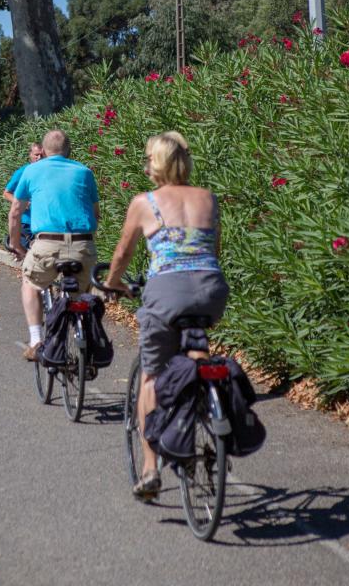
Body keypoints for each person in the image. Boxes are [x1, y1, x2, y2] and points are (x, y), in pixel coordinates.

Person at [103, 131, 229, 499]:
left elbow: (123, 254)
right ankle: (209, 402)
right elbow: (213, 249)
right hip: (210, 289)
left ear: (155, 164)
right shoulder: (209, 198)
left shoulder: (145, 202)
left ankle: (150, 469)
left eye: (147, 159)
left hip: (166, 293)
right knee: (195, 352)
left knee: (151, 377)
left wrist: (113, 283)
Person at [9, 129, 100, 361]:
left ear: (44, 150)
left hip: (47, 245)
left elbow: (15, 213)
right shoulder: (84, 172)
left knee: (30, 283)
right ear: (69, 150)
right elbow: (95, 214)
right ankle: (85, 340)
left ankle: (36, 339)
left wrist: (16, 245)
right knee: (80, 294)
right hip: (83, 245)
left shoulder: (32, 170)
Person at [3, 142, 44, 249]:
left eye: (41, 155)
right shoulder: (22, 172)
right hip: (26, 222)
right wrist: (23, 203)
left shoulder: (47, 172)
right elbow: (6, 193)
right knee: (29, 255)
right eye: (36, 155)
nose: (39, 158)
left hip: (43, 223)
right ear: (30, 155)